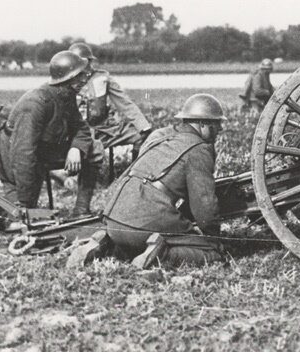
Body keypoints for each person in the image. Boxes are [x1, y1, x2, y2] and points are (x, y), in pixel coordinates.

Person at [67, 93, 227, 269]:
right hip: (144, 221)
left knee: (135, 237)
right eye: (216, 123)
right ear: (202, 123)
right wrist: (212, 236)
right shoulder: (199, 150)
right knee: (213, 252)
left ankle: (105, 245)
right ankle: (162, 255)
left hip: (114, 218)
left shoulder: (159, 135)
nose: (219, 129)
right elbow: (204, 205)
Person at [0, 51, 94, 223]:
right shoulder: (35, 104)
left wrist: (76, 148)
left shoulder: (66, 95)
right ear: (65, 78)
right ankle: (6, 206)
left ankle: (81, 210)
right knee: (23, 216)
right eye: (79, 75)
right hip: (11, 160)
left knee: (93, 151)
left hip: (41, 150)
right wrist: (26, 203)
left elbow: (82, 129)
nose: (85, 79)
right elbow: (22, 155)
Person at [69, 42, 152, 161]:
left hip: (105, 130)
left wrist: (143, 126)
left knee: (141, 135)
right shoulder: (67, 80)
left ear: (90, 61)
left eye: (86, 61)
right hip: (78, 134)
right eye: (79, 62)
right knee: (84, 156)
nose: (84, 66)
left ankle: (133, 174)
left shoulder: (102, 78)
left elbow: (124, 102)